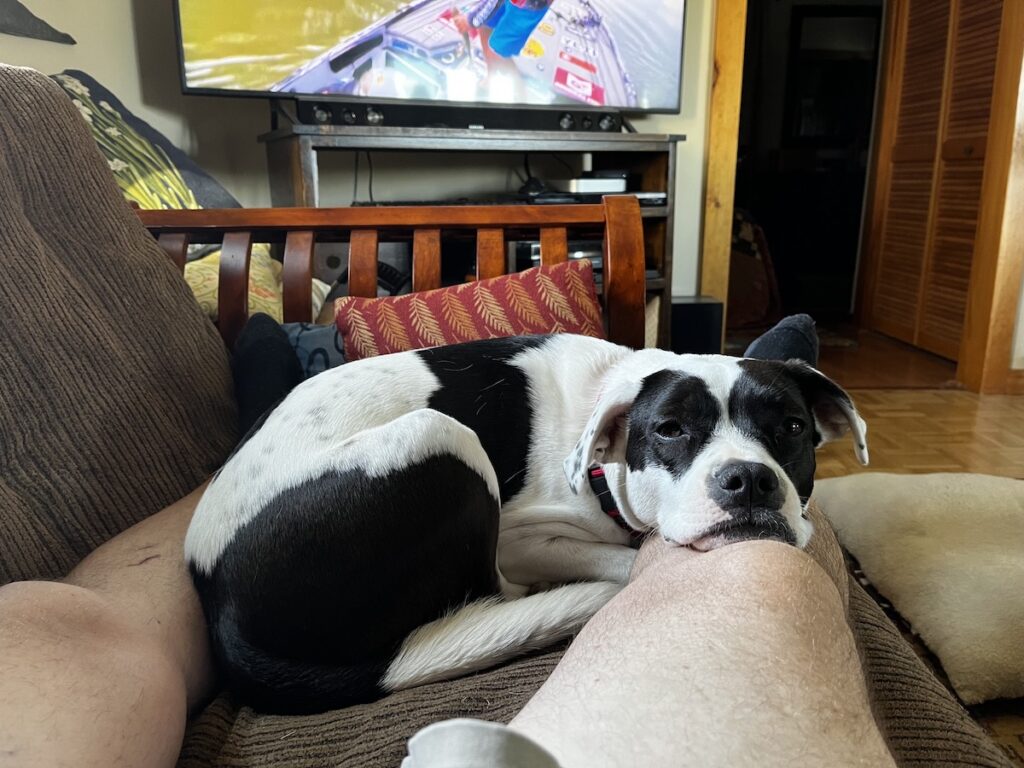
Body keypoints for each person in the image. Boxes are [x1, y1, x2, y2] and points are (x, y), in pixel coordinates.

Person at [0, 317, 894, 767]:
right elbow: (523, 535)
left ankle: (272, 374)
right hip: (290, 568)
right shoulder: (582, 425)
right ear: (613, 439)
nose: (739, 472)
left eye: (780, 435)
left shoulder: (621, 402)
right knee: (449, 442)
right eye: (687, 439)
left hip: (297, 545)